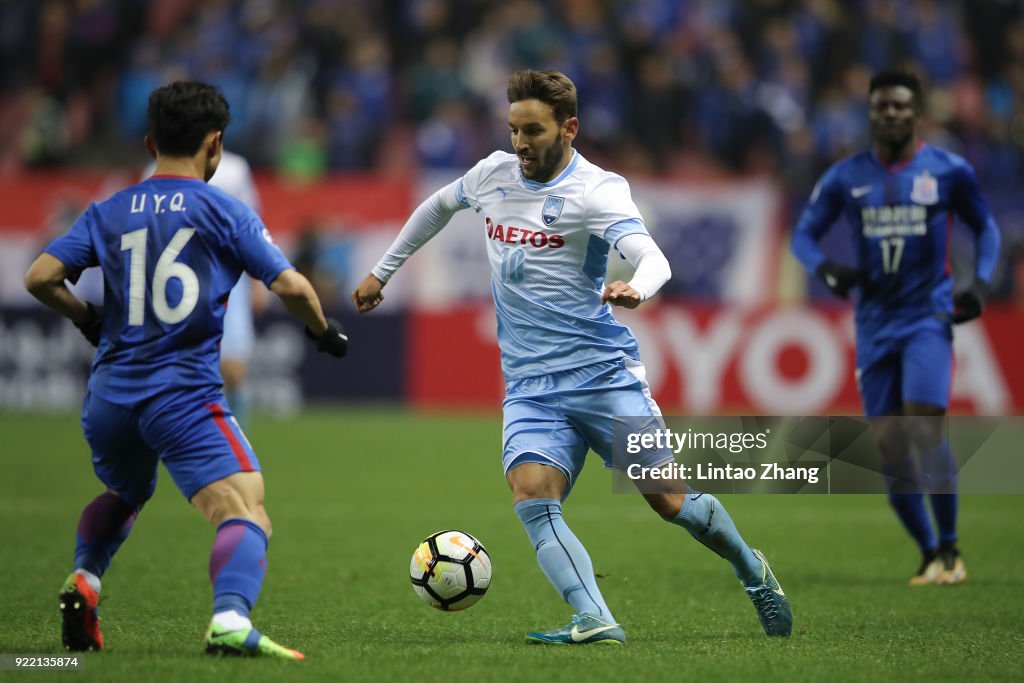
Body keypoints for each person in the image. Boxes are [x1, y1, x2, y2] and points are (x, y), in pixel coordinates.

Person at [353, 69, 792, 643]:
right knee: (532, 491)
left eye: (532, 130)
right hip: (531, 385)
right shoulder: (492, 175)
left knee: (671, 502)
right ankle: (595, 617)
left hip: (603, 376)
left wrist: (638, 286)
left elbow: (652, 257)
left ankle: (750, 568)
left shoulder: (597, 191)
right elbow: (437, 207)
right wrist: (382, 271)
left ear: (570, 128)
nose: (520, 143)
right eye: (513, 129)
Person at [24, 81, 348, 658]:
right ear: (215, 144)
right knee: (247, 509)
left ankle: (85, 580)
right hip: (182, 396)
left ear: (150, 141)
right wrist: (323, 331)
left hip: (109, 397)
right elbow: (292, 285)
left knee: (123, 491)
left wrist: (85, 318)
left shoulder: (109, 210)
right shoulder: (224, 209)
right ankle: (229, 619)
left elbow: (40, 278)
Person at [790, 69, 1001, 586]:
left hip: (927, 317)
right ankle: (929, 552)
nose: (890, 114)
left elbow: (986, 227)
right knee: (888, 447)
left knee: (924, 422)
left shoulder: (947, 171)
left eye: (900, 106)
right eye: (881, 106)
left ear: (917, 113)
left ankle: (951, 549)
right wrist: (828, 269)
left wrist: (980, 284)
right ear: (870, 113)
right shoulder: (846, 176)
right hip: (874, 324)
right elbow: (804, 236)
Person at [146, 150, 264, 428]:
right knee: (181, 368)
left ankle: (237, 437)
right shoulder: (155, 170)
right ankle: (189, 435)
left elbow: (251, 224)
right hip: (177, 282)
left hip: (229, 276)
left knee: (233, 369)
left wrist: (257, 280)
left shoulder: (235, 168)